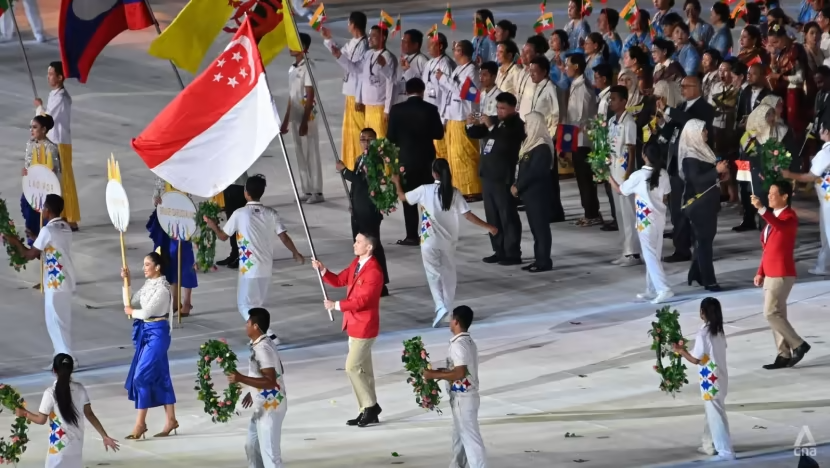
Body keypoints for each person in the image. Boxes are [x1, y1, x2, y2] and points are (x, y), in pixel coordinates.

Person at [391, 159, 496, 326]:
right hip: (448, 242)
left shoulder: (425, 190)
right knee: (449, 277)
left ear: (434, 173)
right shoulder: (453, 192)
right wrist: (489, 227)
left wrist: (397, 182)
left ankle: (440, 305)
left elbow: (403, 197)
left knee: (433, 274)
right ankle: (448, 312)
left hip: (428, 241)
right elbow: (467, 215)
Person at [203, 175, 305, 340]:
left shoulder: (240, 213)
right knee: (257, 305)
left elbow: (222, 236)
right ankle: (264, 335)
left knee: (244, 304)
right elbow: (284, 237)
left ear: (245, 193)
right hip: (266, 266)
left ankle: (268, 334)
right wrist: (295, 252)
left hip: (249, 267)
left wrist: (212, 225)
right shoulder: (271, 213)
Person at [312, 233, 384, 427]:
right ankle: (368, 410)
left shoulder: (374, 272)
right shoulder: (356, 264)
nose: (355, 244)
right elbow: (338, 280)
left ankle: (370, 406)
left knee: (352, 367)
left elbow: (363, 301)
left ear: (369, 247)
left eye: (359, 242)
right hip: (353, 324)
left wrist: (336, 305)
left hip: (365, 326)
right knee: (364, 370)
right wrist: (323, 270)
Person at [7, 195, 75, 366]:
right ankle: (59, 358)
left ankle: (67, 360)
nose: (42, 210)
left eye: (44, 207)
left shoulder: (48, 231)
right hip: (64, 281)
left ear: (48, 210)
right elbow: (53, 245)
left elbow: (29, 255)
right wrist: (37, 236)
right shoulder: (64, 227)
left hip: (55, 282)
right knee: (58, 322)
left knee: (57, 323)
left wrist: (14, 241)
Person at [15, 354, 119, 467]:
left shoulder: (50, 393)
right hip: (76, 448)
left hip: (58, 449)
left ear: (54, 370)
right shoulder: (80, 389)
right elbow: (90, 414)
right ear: (71, 369)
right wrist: (104, 436)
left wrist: (24, 413)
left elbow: (41, 420)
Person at [750, 184, 812, 369]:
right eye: (768, 194)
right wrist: (760, 271)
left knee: (770, 313)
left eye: (773, 194)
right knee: (778, 314)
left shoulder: (789, 217)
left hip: (782, 272)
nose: (769, 197)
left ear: (785, 197)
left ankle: (798, 344)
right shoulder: (773, 218)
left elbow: (781, 227)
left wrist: (761, 209)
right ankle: (783, 354)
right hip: (770, 271)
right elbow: (767, 249)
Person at [657, 76, 715, 263]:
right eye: (680, 86)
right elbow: (674, 128)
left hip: (695, 164)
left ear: (697, 87)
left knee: (693, 208)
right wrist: (661, 126)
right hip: (676, 161)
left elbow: (691, 122)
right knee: (676, 209)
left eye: (685, 86)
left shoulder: (705, 109)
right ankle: (681, 247)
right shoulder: (681, 106)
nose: (682, 89)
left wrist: (668, 109)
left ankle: (697, 246)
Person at [121, 252, 178, 439]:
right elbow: (130, 302)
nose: (143, 268)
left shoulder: (162, 289)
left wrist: (132, 311)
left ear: (157, 267)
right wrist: (126, 283)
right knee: (162, 376)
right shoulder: (149, 285)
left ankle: (140, 423)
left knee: (140, 377)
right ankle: (171, 419)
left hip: (158, 334)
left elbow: (145, 311)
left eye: (147, 264)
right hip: (147, 332)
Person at [608, 144, 674, 303]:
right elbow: (665, 197)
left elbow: (620, 190)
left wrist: (607, 175)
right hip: (659, 219)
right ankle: (651, 288)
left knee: (649, 256)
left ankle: (663, 288)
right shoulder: (663, 174)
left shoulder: (638, 175)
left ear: (644, 156)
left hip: (645, 221)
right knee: (654, 254)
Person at [672, 298, 736, 461]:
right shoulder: (719, 331)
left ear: (702, 313)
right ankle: (709, 444)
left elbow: (696, 359)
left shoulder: (703, 333)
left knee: (716, 415)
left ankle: (725, 451)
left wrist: (680, 351)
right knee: (713, 412)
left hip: (710, 379)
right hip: (721, 377)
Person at [423, 305, 486, 468]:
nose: (450, 322)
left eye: (451, 319)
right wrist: (439, 372)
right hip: (465, 397)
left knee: (470, 440)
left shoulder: (459, 345)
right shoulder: (467, 341)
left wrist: (434, 375)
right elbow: (458, 370)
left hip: (463, 398)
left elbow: (460, 373)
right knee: (459, 438)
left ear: (456, 321)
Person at [466, 92, 524, 265]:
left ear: (513, 108)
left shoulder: (517, 125)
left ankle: (513, 252)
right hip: (488, 175)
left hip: (502, 177)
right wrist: (470, 125)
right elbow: (477, 133)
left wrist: (492, 127)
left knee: (507, 215)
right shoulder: (496, 120)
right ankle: (498, 249)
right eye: (498, 108)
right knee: (493, 216)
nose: (499, 112)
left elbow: (505, 142)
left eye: (503, 109)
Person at [387, 77, 445, 247]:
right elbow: (439, 134)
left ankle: (412, 236)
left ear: (406, 91)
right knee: (428, 198)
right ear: (422, 90)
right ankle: (431, 233)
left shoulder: (397, 110)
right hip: (427, 160)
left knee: (409, 199)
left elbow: (390, 137)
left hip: (406, 159)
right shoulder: (430, 109)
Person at [227, 308, 288, 467]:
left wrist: (240, 378)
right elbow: (280, 369)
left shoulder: (262, 349)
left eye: (248, 322)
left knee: (271, 455)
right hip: (265, 403)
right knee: (252, 445)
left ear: (255, 327)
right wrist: (253, 389)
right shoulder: (265, 342)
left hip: (271, 405)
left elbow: (271, 381)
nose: (245, 325)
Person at [678, 120, 730, 291]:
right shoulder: (690, 157)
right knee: (704, 243)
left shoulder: (703, 151)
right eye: (703, 130)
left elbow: (706, 177)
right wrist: (716, 171)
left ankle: (695, 274)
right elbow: (697, 180)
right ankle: (709, 280)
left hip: (708, 202)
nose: (706, 132)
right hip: (699, 205)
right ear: (693, 134)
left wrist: (720, 175)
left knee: (704, 241)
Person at [324, 25, 395, 138]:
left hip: (379, 107)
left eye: (374, 36)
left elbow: (391, 81)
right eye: (370, 35)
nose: (369, 39)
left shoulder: (388, 57)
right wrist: (339, 56)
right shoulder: (368, 54)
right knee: (369, 142)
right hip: (368, 107)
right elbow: (355, 68)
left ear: (383, 38)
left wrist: (387, 109)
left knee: (380, 142)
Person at [35, 62, 79, 230]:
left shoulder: (61, 97)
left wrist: (39, 107)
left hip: (60, 142)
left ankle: (71, 217)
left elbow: (48, 118)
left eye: (52, 74)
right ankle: (62, 215)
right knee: (57, 180)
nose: (49, 77)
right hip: (54, 141)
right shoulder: (54, 94)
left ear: (60, 77)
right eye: (48, 74)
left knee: (65, 180)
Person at [280, 32, 323, 204]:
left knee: (311, 152)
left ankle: (317, 191)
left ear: (304, 48)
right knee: (299, 153)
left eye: (294, 44)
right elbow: (291, 97)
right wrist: (286, 121)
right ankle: (306, 188)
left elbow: (310, 95)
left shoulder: (308, 67)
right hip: (296, 115)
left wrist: (305, 121)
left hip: (308, 116)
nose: (290, 47)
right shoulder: (292, 68)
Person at [436, 40, 482, 200]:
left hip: (464, 116)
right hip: (453, 116)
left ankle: (472, 189)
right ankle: (460, 187)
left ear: (461, 52)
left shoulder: (471, 71)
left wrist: (444, 79)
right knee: (455, 155)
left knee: (465, 155)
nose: (453, 52)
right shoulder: (459, 69)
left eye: (455, 50)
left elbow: (463, 92)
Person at [321, 12, 367, 170]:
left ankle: (362, 162)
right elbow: (341, 52)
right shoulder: (353, 42)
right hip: (349, 91)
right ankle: (352, 161)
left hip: (357, 93)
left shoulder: (363, 45)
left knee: (359, 130)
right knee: (350, 130)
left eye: (349, 23)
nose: (348, 26)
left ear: (354, 25)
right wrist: (328, 40)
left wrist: (360, 98)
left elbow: (357, 71)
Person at [783, 123, 830, 275]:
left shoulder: (826, 152)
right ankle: (822, 265)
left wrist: (789, 175)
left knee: (828, 233)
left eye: (822, 129)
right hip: (825, 199)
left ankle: (822, 265)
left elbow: (811, 176)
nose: (819, 131)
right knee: (825, 234)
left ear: (827, 132)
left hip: (828, 199)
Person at [512, 112, 556, 272]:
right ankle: (539, 259)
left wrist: (518, 186)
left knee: (541, 228)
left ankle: (544, 261)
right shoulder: (531, 144)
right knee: (535, 228)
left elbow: (536, 172)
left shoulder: (542, 146)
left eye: (527, 123)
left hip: (538, 194)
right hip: (530, 194)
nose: (525, 126)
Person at [148, 180, 197, 317]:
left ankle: (186, 302)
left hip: (184, 220)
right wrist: (156, 200)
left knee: (186, 260)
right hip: (166, 221)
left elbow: (191, 199)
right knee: (169, 259)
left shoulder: (186, 174)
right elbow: (155, 195)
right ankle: (175, 302)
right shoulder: (162, 175)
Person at [606, 85, 643, 267]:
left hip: (624, 173)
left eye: (614, 99)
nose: (610, 102)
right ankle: (626, 250)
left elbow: (631, 148)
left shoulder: (629, 122)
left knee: (628, 213)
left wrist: (628, 174)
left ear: (623, 101)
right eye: (610, 99)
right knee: (619, 213)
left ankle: (634, 253)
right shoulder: (613, 120)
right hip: (613, 172)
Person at [566, 53, 602, 227]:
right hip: (577, 138)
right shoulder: (577, 85)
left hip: (582, 140)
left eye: (568, 65)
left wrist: (566, 141)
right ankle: (589, 211)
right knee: (581, 178)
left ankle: (592, 213)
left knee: (585, 178)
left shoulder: (583, 88)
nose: (566, 68)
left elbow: (578, 118)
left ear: (577, 67)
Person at [21, 114, 62, 244]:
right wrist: (25, 172)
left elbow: (57, 171)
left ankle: (43, 244)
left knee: (44, 215)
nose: (31, 130)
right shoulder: (30, 144)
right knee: (27, 206)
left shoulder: (52, 147)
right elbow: (28, 165)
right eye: (30, 127)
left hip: (46, 189)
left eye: (34, 127)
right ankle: (34, 243)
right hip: (32, 187)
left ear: (43, 129)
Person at [423, 32, 456, 160]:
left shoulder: (446, 64)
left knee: (442, 151)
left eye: (432, 44)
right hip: (429, 114)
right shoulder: (429, 63)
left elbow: (449, 92)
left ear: (440, 46)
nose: (428, 47)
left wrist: (443, 119)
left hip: (440, 115)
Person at [516, 36, 549, 121]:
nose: (522, 54)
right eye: (522, 51)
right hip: (519, 120)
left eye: (527, 52)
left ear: (537, 54)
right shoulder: (522, 72)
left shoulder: (541, 77)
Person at [397, 30, 430, 104]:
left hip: (415, 103)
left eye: (405, 42)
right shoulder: (402, 58)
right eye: (402, 41)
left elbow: (423, 84)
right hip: (400, 101)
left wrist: (408, 70)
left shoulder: (423, 61)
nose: (402, 44)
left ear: (416, 45)